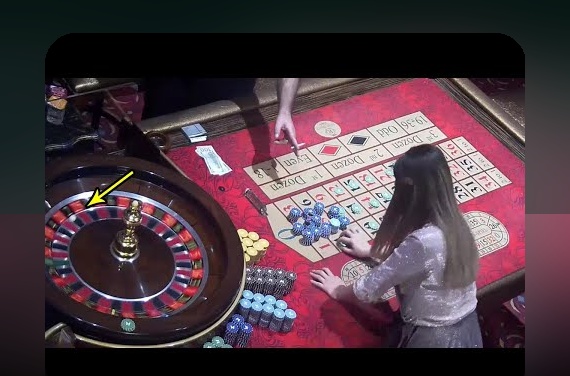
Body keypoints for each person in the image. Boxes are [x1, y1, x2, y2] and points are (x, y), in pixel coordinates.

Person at [310, 144, 483, 348]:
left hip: (433, 339)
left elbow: (369, 288)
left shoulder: (423, 241)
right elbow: (424, 259)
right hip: (468, 326)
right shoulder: (456, 220)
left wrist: (338, 290)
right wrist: (371, 251)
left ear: (410, 188)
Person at [141, 77, 303, 153]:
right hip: (175, 83)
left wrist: (284, 111)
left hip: (230, 88)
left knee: (222, 149)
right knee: (154, 141)